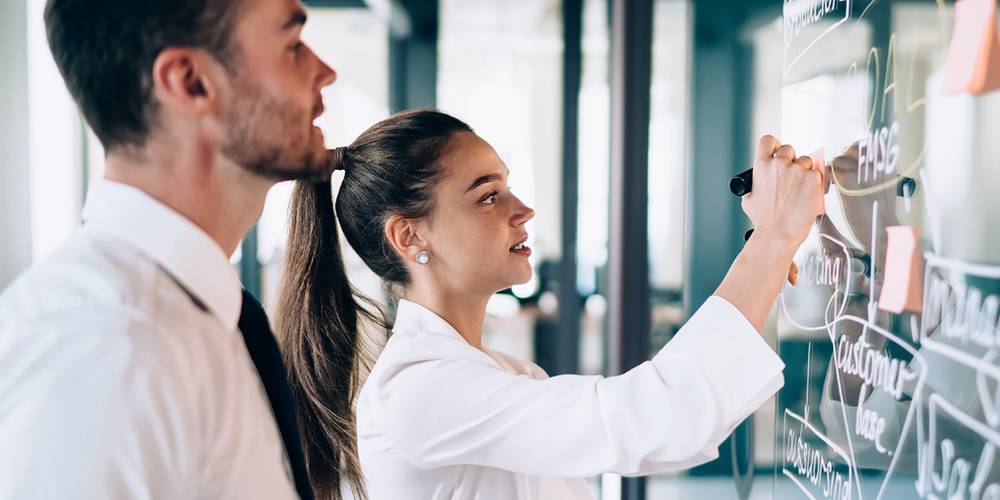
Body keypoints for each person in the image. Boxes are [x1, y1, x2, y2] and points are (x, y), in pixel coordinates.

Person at [276, 109, 825, 499]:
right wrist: (773, 241)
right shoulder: (420, 390)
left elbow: (661, 433)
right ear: (409, 237)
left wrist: (768, 259)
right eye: (488, 195)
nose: (524, 210)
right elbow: (653, 418)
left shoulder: (497, 373)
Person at [0, 0, 338, 498]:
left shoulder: (193, 319)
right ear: (191, 82)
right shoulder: (107, 345)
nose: (325, 72)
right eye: (292, 47)